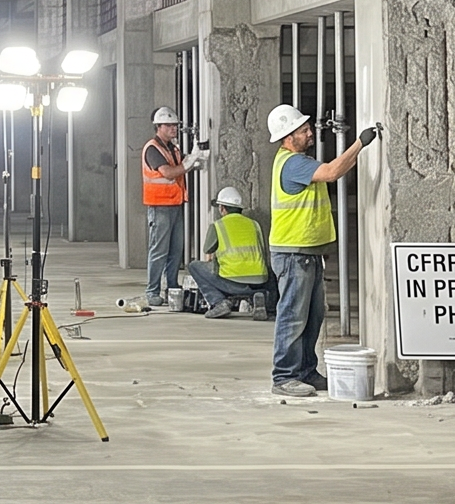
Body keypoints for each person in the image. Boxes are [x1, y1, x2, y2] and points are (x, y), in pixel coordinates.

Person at [262, 103, 378, 397]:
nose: (309, 133)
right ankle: (284, 376)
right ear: (288, 137)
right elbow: (331, 172)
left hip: (306, 252)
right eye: (303, 130)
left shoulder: (295, 160)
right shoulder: (293, 163)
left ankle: (305, 371)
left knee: (312, 317)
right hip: (293, 254)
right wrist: (360, 144)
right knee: (293, 316)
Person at [184, 186, 275, 319]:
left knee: (194, 266)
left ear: (222, 208)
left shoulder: (218, 225)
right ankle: (265, 303)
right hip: (259, 282)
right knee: (271, 271)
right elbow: (263, 251)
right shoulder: (255, 224)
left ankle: (218, 302)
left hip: (231, 282)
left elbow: (208, 249)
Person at [140, 107, 198, 309]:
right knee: (159, 251)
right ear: (159, 127)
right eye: (170, 125)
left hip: (174, 204)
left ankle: (172, 287)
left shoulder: (172, 148)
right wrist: (189, 162)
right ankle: (153, 291)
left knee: (175, 250)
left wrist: (193, 161)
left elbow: (180, 167)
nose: (174, 128)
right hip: (159, 207)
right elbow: (169, 172)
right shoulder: (153, 149)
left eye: (175, 125)